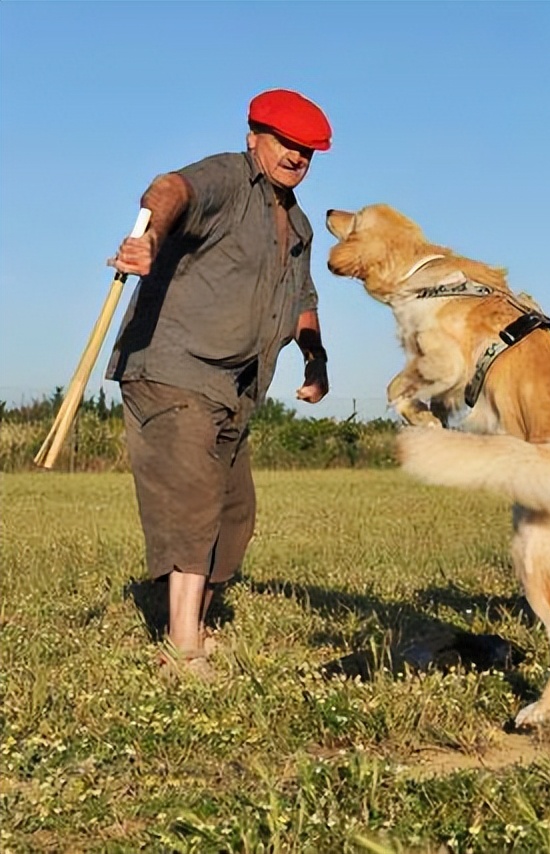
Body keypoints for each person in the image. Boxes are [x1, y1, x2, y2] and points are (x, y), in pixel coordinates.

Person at [106, 88, 333, 677]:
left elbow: (302, 304)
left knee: (235, 515)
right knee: (194, 501)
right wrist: (150, 238)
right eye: (286, 143)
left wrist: (316, 359)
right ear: (254, 135)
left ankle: (198, 624)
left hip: (236, 387)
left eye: (308, 151)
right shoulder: (227, 178)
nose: (296, 157)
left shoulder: (299, 226)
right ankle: (183, 649)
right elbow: (169, 190)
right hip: (174, 367)